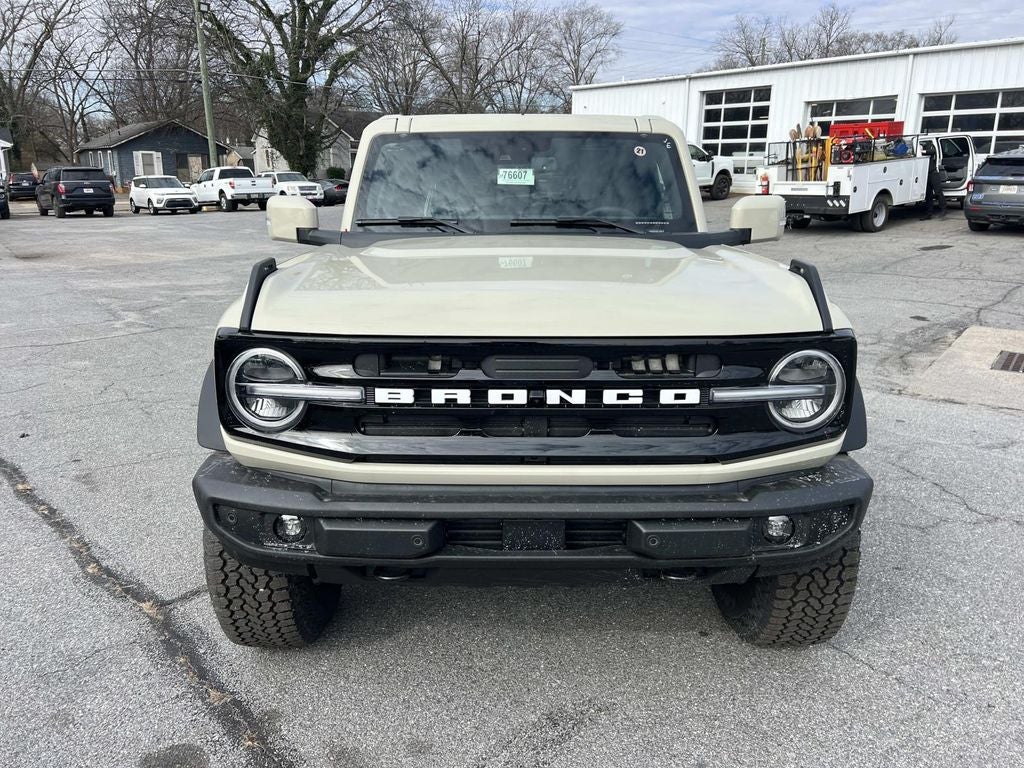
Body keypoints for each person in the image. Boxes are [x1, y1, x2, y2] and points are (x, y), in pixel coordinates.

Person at [920, 143, 947, 220]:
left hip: (933, 173)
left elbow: (932, 151)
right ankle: (929, 213)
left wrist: (922, 151)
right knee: (928, 195)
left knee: (938, 192)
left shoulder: (929, 144)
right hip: (925, 174)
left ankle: (943, 210)